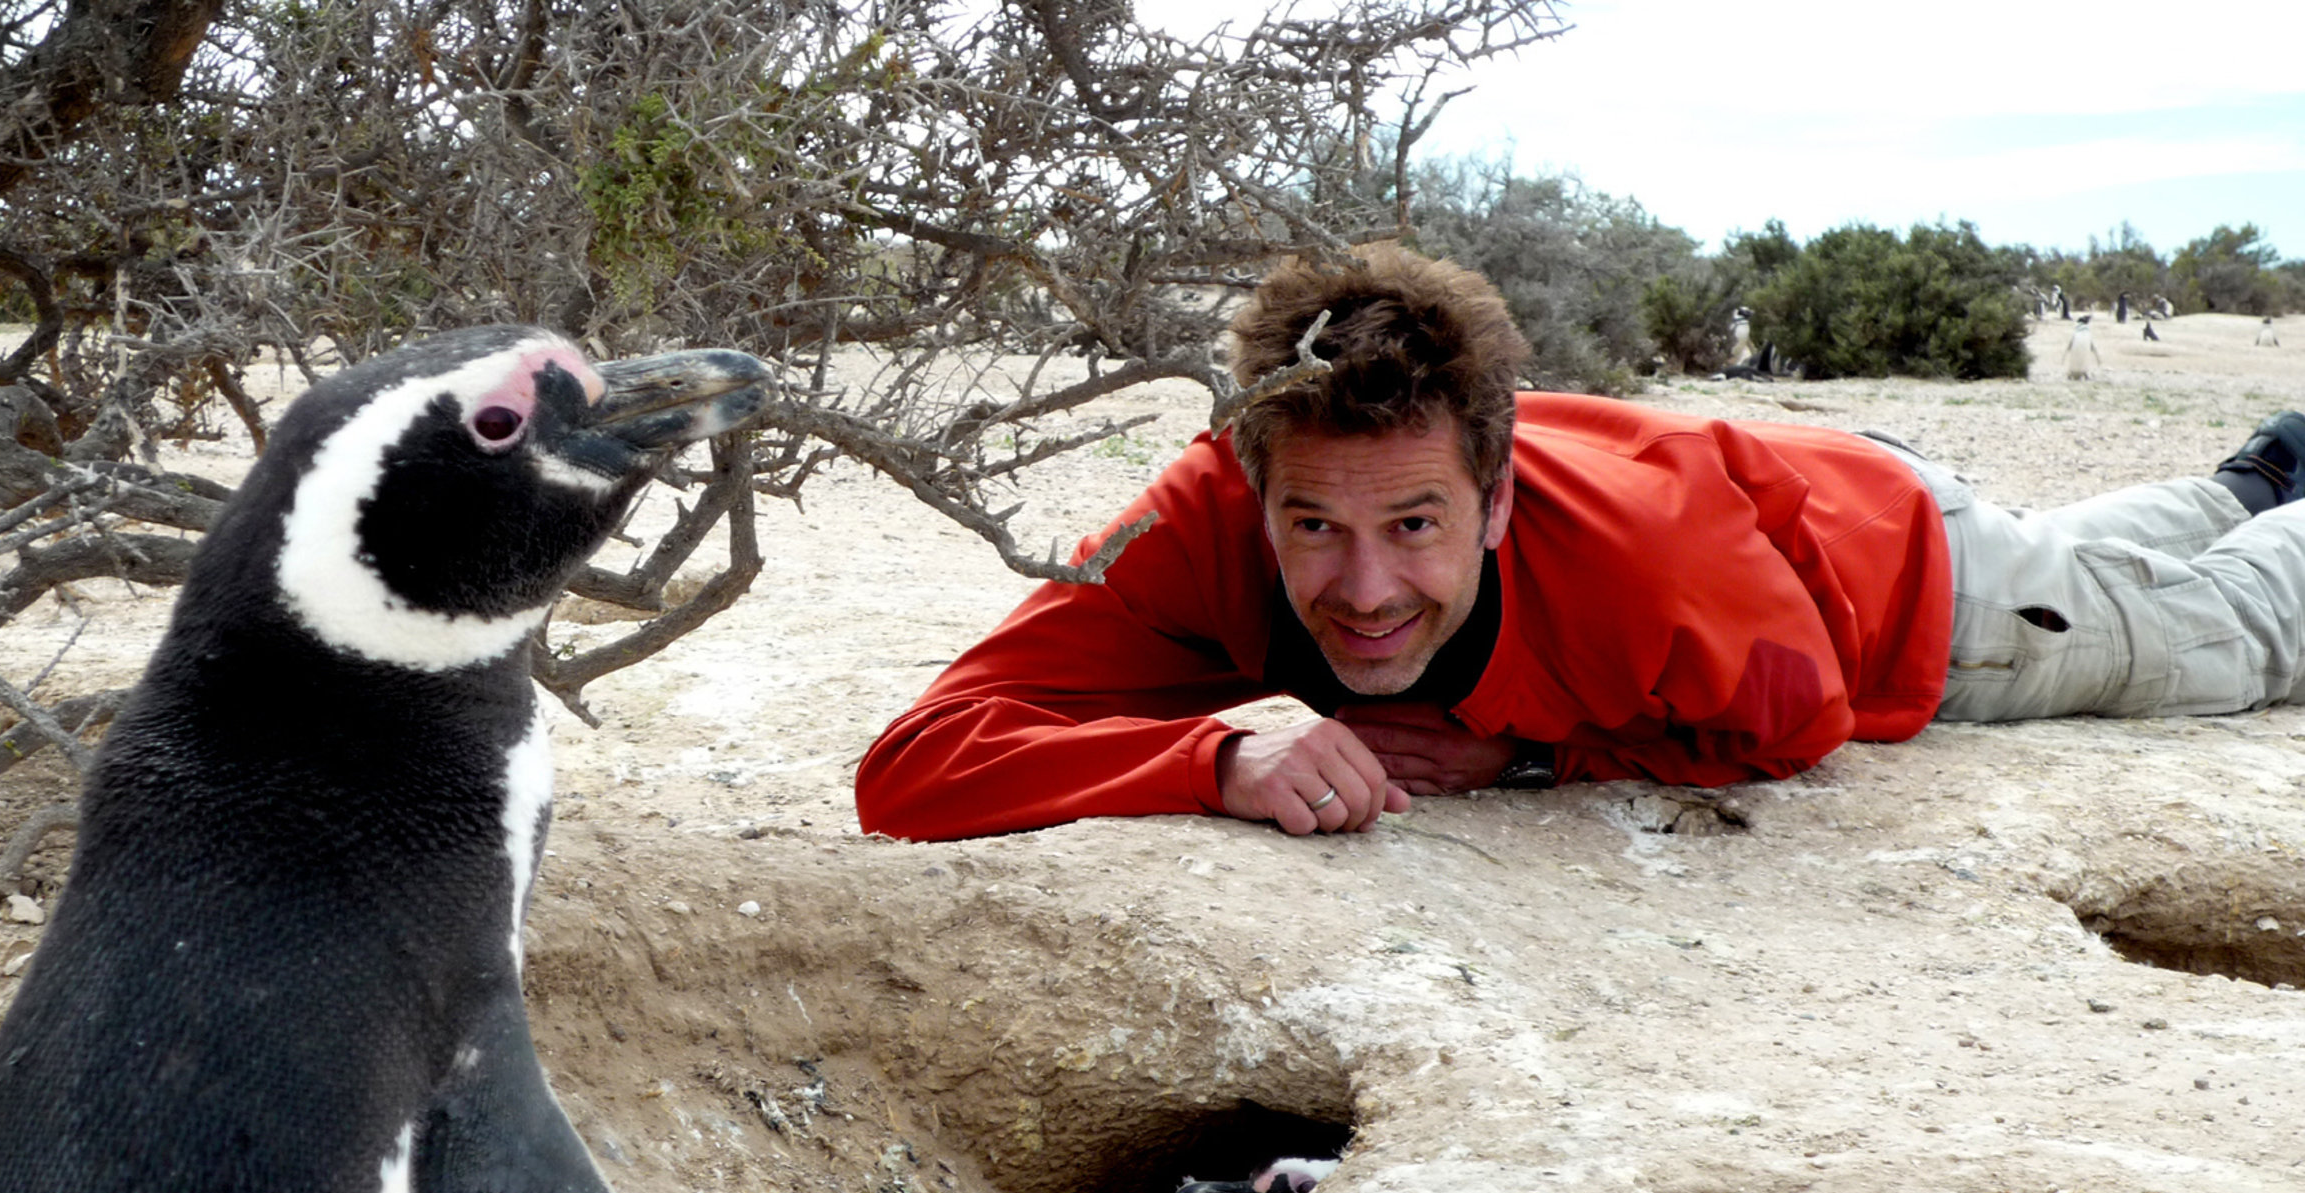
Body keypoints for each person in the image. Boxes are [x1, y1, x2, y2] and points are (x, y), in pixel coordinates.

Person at [853, 245, 2305, 841]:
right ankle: (2263, 473)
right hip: (1771, 488)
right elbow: (909, 765)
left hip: (1900, 569)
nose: (1362, 592)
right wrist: (1216, 757)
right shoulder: (1194, 519)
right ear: (1249, 487)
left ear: (1492, 500)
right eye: (1314, 526)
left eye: (1414, 526)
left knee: (2222, 637)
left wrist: (1532, 755)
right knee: (2151, 544)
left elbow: (1795, 712)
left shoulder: (1631, 558)